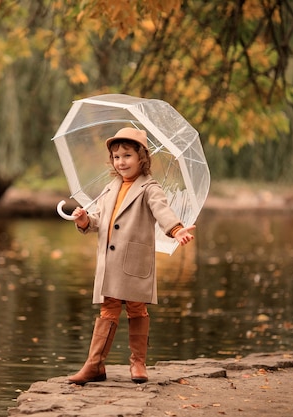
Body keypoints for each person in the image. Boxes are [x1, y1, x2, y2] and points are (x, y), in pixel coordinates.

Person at [68, 127, 196, 385]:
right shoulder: (109, 188)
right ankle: (95, 365)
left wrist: (177, 229)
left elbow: (163, 212)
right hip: (110, 261)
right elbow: (100, 221)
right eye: (116, 157)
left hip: (135, 260)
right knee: (108, 309)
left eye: (127, 155)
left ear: (141, 158)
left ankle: (138, 363)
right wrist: (84, 220)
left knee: (137, 308)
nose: (121, 162)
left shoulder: (149, 187)